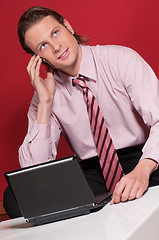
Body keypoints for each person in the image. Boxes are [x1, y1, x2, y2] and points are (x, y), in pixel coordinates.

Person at [3, 6, 159, 218]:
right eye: (43, 45)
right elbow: (34, 174)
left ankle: (114, 196)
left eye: (55, 32)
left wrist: (143, 171)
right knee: (16, 197)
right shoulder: (44, 96)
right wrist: (46, 104)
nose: (56, 47)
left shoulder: (121, 60)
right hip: (95, 171)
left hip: (143, 156)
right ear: (38, 58)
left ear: (67, 25)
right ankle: (102, 204)